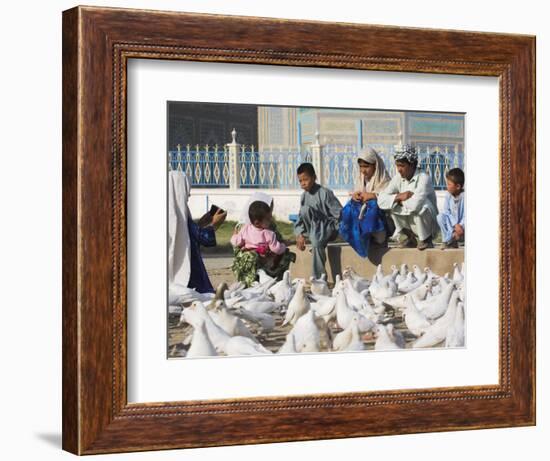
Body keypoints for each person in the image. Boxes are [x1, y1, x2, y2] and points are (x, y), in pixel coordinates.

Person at [168, 171, 226, 294]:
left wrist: (201, 223)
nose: (188, 194)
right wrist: (214, 224)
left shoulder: (171, 212)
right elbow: (203, 238)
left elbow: (186, 234)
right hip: (191, 276)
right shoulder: (179, 214)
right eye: (186, 189)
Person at [378, 144, 438, 250]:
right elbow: (381, 201)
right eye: (397, 165)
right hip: (411, 219)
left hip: (429, 223)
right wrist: (398, 197)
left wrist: (399, 201)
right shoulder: (398, 178)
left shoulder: (424, 178)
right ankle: (410, 238)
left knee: (423, 206)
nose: (399, 169)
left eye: (402, 166)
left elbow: (415, 205)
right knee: (391, 206)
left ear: (412, 164)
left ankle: (426, 239)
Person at [340, 147, 393, 256]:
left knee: (372, 204)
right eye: (361, 166)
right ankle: (360, 239)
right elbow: (357, 194)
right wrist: (356, 196)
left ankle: (379, 238)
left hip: (383, 222)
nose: (363, 170)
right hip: (364, 219)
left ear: (375, 165)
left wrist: (373, 196)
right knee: (350, 206)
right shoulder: (361, 179)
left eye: (366, 166)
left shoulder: (384, 180)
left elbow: (389, 200)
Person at [294, 162, 343, 279]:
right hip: (313, 230)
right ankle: (314, 237)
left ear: (314, 177)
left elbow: (339, 214)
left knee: (316, 240)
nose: (303, 184)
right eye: (300, 181)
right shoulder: (304, 196)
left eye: (305, 179)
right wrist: (299, 234)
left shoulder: (325, 193)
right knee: (305, 210)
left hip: (327, 229)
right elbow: (301, 218)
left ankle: (318, 278)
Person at [231, 200, 295, 286]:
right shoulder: (268, 233)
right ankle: (277, 279)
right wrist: (283, 246)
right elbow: (277, 249)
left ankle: (249, 280)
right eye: (268, 219)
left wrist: (234, 235)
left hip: (250, 260)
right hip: (263, 261)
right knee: (287, 254)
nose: (271, 220)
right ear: (257, 222)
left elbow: (236, 242)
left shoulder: (245, 229)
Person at [437, 168, 465, 249]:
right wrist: (455, 225)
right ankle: (448, 240)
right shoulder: (448, 195)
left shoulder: (465, 197)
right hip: (453, 227)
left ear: (458, 186)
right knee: (440, 217)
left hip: (462, 229)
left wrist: (461, 226)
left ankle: (452, 239)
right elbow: (446, 211)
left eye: (449, 184)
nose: (447, 186)